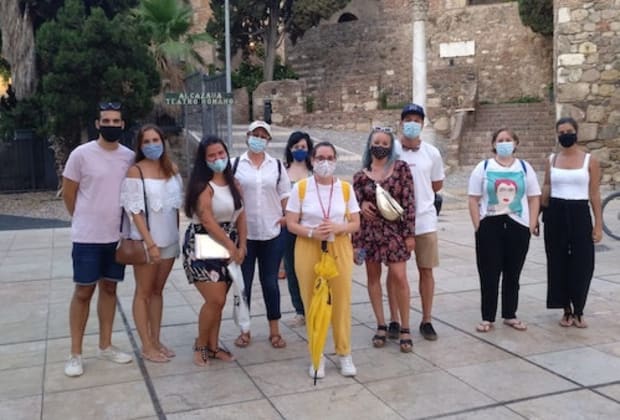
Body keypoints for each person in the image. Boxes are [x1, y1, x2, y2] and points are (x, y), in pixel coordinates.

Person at [62, 102, 134, 377]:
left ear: (122, 125)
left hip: (117, 238)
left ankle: (106, 345)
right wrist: (83, 219)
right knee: (83, 292)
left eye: (116, 121)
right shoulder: (81, 155)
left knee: (110, 289)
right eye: (106, 121)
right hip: (88, 238)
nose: (111, 125)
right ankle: (75, 354)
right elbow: (69, 193)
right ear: (97, 124)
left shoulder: (129, 157)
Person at [285, 141, 361, 378]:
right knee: (312, 302)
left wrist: (339, 227)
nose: (325, 162)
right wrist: (311, 232)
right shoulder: (301, 188)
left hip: (339, 247)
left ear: (336, 160)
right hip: (309, 247)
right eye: (320, 158)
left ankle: (344, 352)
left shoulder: (345, 189)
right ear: (312, 160)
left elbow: (356, 223)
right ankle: (317, 355)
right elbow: (291, 223)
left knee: (341, 300)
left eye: (329, 158)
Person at [120, 124, 183, 363]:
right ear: (140, 145)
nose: (152, 145)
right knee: (143, 292)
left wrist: (176, 238)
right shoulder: (135, 172)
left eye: (155, 140)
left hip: (169, 240)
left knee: (158, 291)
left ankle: (156, 340)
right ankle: (146, 345)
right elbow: (134, 211)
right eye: (146, 141)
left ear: (163, 141)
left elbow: (175, 207)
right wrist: (150, 243)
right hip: (147, 242)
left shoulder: (172, 169)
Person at [468, 128, 541, 332]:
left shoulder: (525, 168)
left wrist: (531, 224)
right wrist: (478, 225)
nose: (504, 143)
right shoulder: (483, 168)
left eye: (508, 139)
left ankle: (510, 314)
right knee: (489, 273)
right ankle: (487, 317)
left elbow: (534, 197)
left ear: (516, 143)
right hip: (490, 224)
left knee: (513, 272)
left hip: (518, 225)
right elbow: (473, 198)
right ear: (493, 144)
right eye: (500, 140)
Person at [182, 135, 247, 366]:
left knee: (220, 301)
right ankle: (201, 345)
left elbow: (241, 215)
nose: (218, 158)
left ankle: (213, 345)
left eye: (221, 153)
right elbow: (208, 221)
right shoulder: (203, 187)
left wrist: (242, 245)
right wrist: (231, 246)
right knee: (215, 299)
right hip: (204, 245)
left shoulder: (233, 183)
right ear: (204, 159)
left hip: (228, 246)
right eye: (211, 155)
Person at [353, 128, 416, 352]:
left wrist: (409, 234)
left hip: (395, 232)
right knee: (373, 278)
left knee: (400, 277)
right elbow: (353, 208)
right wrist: (361, 206)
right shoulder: (360, 176)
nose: (380, 146)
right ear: (369, 145)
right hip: (369, 234)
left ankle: (405, 327)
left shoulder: (401, 169)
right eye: (376, 142)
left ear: (391, 147)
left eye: (385, 143)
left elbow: (409, 202)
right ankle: (381, 324)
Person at [387, 104, 445, 341]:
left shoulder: (432, 153)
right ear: (401, 122)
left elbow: (437, 183)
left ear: (422, 124)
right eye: (408, 119)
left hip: (424, 220)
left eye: (416, 120)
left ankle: (427, 319)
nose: (412, 123)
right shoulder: (391, 150)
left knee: (426, 270)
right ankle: (394, 319)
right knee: (395, 272)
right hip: (395, 221)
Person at [232, 120, 291, 349]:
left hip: (271, 232)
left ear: (268, 140)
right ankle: (244, 330)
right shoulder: (235, 164)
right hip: (244, 234)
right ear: (247, 136)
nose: (258, 139)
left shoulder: (276, 166)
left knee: (270, 283)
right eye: (255, 134)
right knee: (243, 284)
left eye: (263, 135)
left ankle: (274, 330)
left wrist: (287, 216)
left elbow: (285, 194)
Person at [542, 117, 603, 328]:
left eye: (569, 131)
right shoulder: (552, 160)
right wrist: (538, 215)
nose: (565, 135)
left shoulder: (589, 161)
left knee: (583, 263)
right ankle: (566, 309)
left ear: (576, 133)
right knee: (557, 261)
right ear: (557, 135)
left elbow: (594, 193)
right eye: (561, 132)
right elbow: (546, 187)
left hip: (579, 212)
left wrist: (598, 224)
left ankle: (579, 310)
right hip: (555, 213)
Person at [282, 131, 314, 327]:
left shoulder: (314, 172)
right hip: (289, 227)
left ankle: (316, 306)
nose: (299, 150)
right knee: (292, 268)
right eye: (296, 147)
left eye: (303, 147)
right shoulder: (282, 171)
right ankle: (300, 310)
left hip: (311, 226)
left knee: (313, 268)